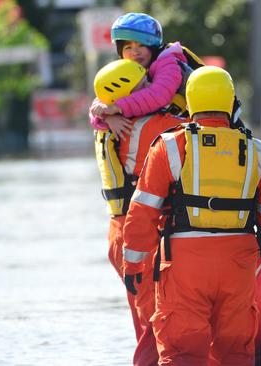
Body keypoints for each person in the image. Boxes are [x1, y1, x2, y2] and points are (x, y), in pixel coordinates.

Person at [122, 66, 261, 365]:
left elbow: (141, 214)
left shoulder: (171, 146)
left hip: (184, 263)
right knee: (235, 351)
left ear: (190, 101)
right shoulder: (256, 149)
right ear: (230, 102)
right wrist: (235, 214)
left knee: (181, 351)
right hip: (238, 261)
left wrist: (133, 266)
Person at [93, 59, 186, 366]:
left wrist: (104, 112)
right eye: (140, 87)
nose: (147, 93)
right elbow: (199, 126)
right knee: (155, 322)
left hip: (124, 232)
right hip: (137, 235)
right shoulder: (146, 126)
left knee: (147, 322)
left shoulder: (115, 124)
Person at [89, 12, 200, 138]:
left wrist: (117, 107)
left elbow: (159, 95)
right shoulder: (126, 70)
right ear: (120, 52)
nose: (135, 52)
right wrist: (107, 117)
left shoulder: (168, 63)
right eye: (128, 47)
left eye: (141, 45)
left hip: (196, 129)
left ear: (152, 48)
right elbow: (100, 103)